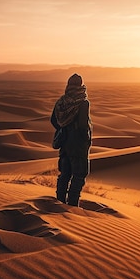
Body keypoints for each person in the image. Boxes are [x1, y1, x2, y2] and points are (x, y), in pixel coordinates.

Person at [50, 73, 92, 206]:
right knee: (79, 175)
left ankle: (60, 201)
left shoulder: (62, 101)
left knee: (65, 174)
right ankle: (72, 205)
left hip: (64, 143)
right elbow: (82, 125)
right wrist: (85, 140)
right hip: (78, 144)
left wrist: (63, 128)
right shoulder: (82, 102)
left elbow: (53, 120)